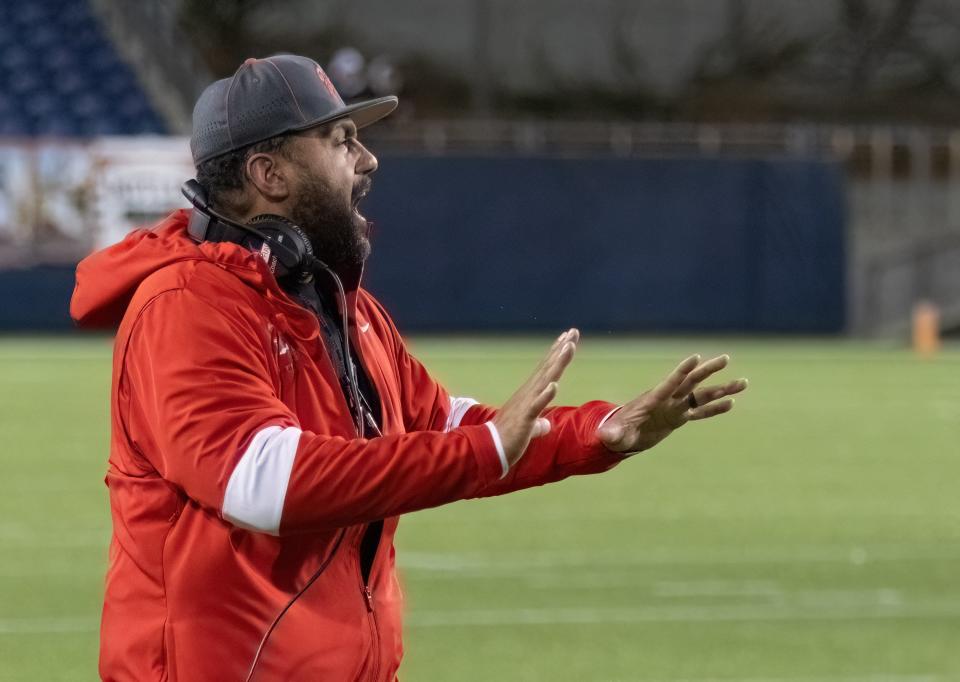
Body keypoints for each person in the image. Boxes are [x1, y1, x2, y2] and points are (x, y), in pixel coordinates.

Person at [70, 54, 747, 681]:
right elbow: (262, 482)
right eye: (339, 141)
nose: (366, 160)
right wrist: (483, 449)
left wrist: (597, 434)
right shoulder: (184, 306)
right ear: (268, 174)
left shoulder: (340, 302)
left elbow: (436, 421)